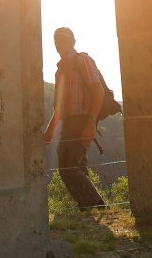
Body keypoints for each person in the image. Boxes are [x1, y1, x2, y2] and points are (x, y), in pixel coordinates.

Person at [43, 26, 107, 209]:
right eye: (55, 39)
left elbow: (98, 90)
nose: (58, 42)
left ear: (73, 41)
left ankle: (96, 206)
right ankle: (89, 211)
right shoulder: (60, 71)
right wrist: (50, 131)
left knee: (68, 168)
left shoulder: (83, 60)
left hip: (82, 121)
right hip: (69, 124)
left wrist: (91, 122)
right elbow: (59, 108)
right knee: (76, 167)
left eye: (62, 39)